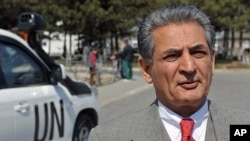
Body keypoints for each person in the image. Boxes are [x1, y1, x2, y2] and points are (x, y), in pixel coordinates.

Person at [89, 4, 250, 141]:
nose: (189, 67)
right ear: (146, 70)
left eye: (198, 52)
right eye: (172, 56)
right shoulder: (109, 137)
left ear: (212, 61)